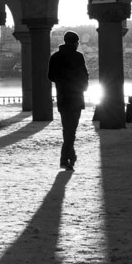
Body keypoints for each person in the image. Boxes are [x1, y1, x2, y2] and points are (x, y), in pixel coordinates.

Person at [47, 30, 89, 170]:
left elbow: (50, 76)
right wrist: (82, 87)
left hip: (63, 97)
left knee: (67, 129)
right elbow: (84, 76)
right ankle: (66, 158)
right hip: (76, 98)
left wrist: (62, 82)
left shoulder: (55, 57)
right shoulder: (78, 57)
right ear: (75, 43)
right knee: (72, 129)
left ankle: (69, 156)